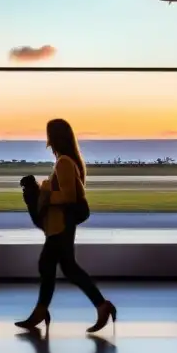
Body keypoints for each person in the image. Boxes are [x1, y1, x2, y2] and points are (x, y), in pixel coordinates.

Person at [15, 118, 116, 334]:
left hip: (61, 225)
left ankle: (44, 312)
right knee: (63, 267)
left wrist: (44, 193)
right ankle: (98, 307)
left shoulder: (63, 163)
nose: (47, 141)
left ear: (54, 138)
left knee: (50, 265)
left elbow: (69, 197)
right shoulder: (68, 161)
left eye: (49, 135)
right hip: (61, 225)